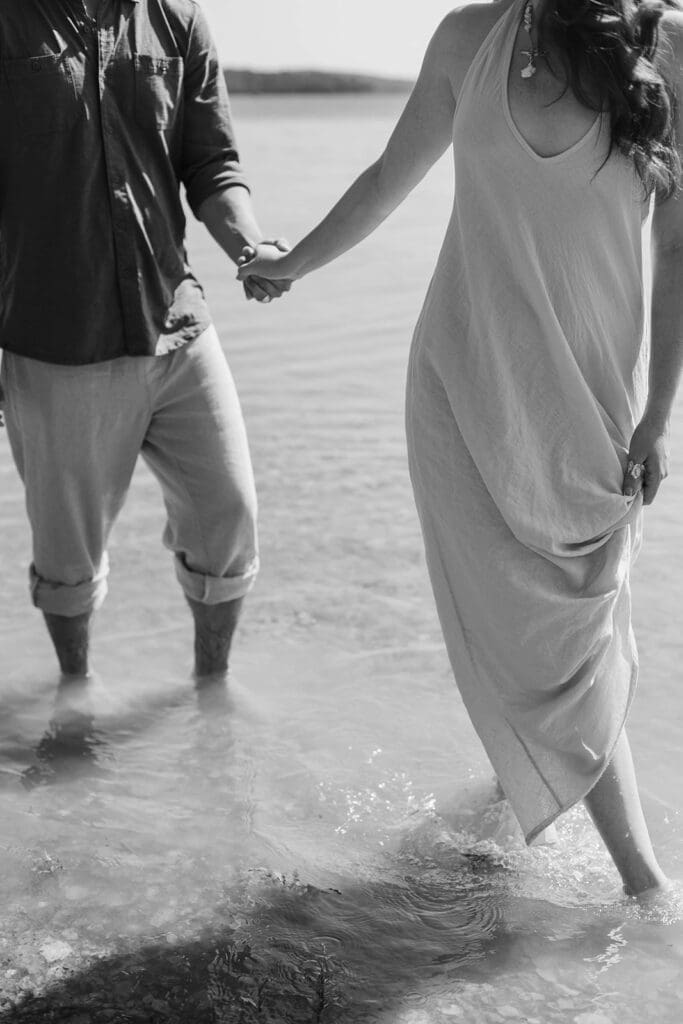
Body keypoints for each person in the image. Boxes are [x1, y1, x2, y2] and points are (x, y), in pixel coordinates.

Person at [238, 0, 683, 897]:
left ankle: (519, 791)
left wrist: (656, 417)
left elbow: (676, 250)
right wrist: (289, 264)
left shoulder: (669, 45)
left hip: (590, 405)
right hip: (462, 388)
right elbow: (382, 181)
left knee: (571, 633)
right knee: (527, 637)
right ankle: (644, 885)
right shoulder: (465, 39)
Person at [0, 0, 290, 681]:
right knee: (69, 555)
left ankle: (210, 693)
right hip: (55, 339)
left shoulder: (177, 19)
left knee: (229, 512)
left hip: (179, 323)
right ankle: (76, 696)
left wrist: (248, 247)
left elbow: (213, 163)